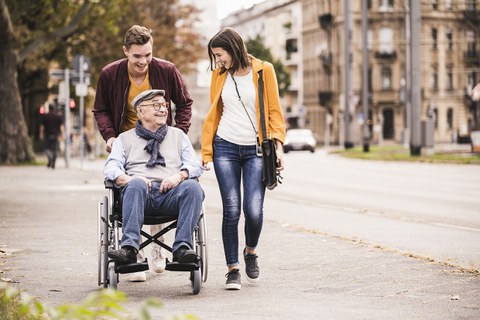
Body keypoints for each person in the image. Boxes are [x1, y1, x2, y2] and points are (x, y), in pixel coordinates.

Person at [93, 25, 194, 281]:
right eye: (137, 56)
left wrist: (175, 135)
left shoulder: (166, 70)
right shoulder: (110, 74)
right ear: (125, 51)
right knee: (138, 184)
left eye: (148, 55)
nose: (143, 61)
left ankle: (159, 250)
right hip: (128, 140)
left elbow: (184, 103)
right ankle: (133, 250)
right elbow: (101, 109)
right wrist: (111, 137)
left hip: (162, 136)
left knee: (166, 180)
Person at [201, 27, 286, 290]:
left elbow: (274, 111)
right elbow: (215, 112)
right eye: (215, 57)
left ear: (233, 48)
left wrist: (279, 146)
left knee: (253, 210)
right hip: (225, 146)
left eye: (220, 54)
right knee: (232, 209)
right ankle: (232, 269)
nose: (218, 61)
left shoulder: (264, 71)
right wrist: (206, 152)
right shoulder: (219, 75)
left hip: (256, 150)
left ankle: (250, 251)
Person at [105, 89, 204, 271]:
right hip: (138, 197)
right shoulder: (124, 139)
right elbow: (111, 167)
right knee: (136, 184)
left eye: (164, 105)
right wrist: (128, 179)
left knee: (193, 187)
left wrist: (179, 175)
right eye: (156, 105)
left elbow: (195, 165)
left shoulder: (178, 136)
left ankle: (182, 248)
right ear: (141, 111)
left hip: (171, 195)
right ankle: (129, 249)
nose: (163, 110)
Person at [40, 103, 64, 169]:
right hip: (56, 135)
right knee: (55, 150)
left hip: (47, 135)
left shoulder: (45, 116)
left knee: (46, 149)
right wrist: (62, 135)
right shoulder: (58, 116)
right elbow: (61, 127)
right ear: (54, 108)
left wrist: (41, 134)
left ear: (49, 108)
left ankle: (50, 159)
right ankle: (53, 162)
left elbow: (42, 127)